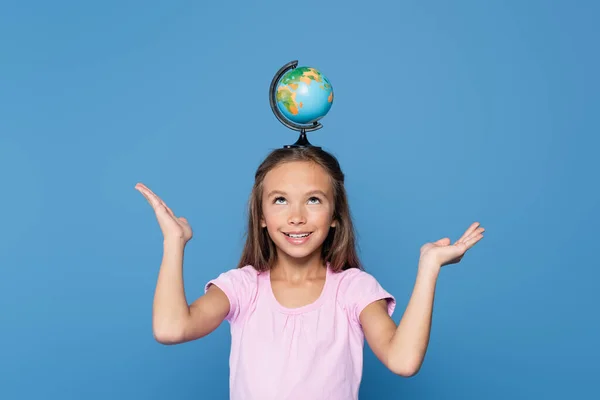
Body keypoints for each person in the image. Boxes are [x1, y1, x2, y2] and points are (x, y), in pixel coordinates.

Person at [135, 146, 484, 400]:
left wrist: (429, 268)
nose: (296, 216)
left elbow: (403, 361)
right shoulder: (243, 287)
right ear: (261, 216)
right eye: (280, 200)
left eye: (313, 200)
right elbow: (170, 329)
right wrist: (174, 241)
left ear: (336, 215)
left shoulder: (353, 290)